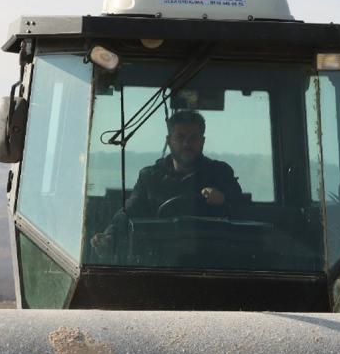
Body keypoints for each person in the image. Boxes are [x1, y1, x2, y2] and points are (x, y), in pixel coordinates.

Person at [90, 109, 244, 257]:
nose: (186, 144)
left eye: (193, 138)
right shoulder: (149, 177)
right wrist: (110, 236)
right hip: (159, 264)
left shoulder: (220, 173)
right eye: (180, 137)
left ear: (202, 141)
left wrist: (223, 199)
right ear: (169, 141)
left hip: (214, 263)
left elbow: (243, 210)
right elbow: (129, 211)